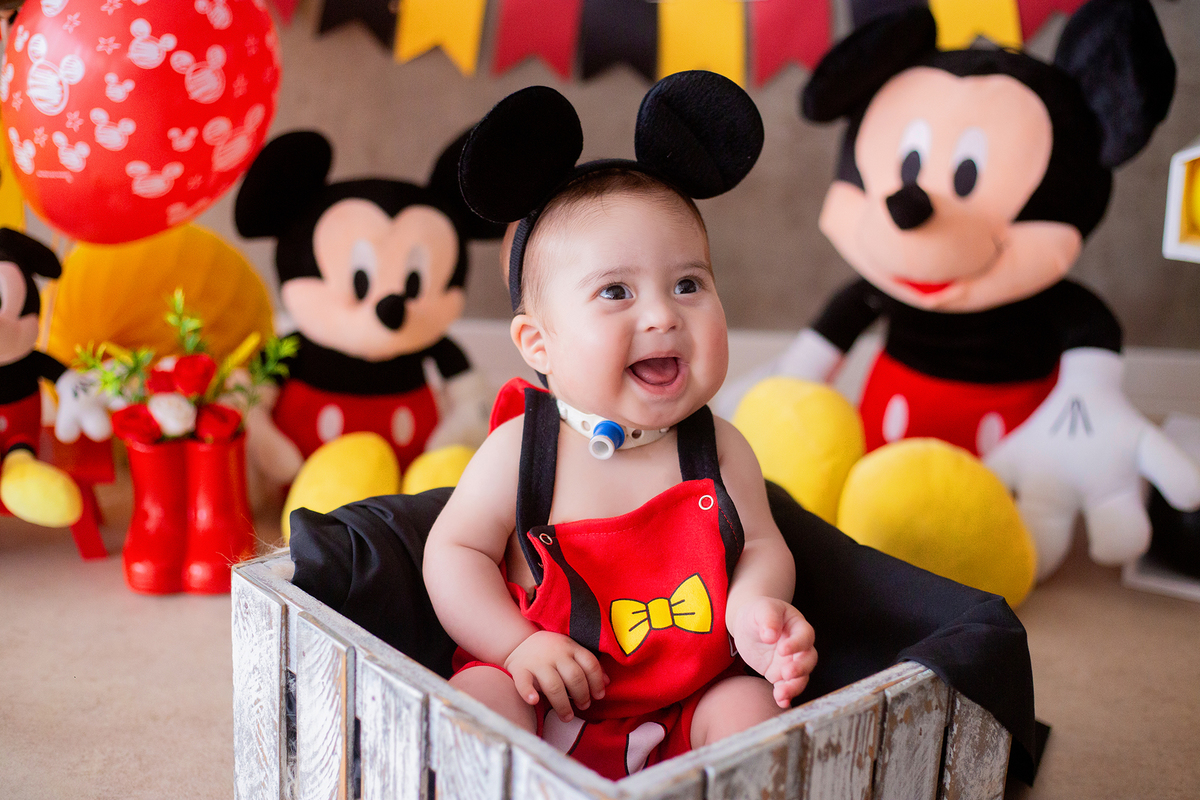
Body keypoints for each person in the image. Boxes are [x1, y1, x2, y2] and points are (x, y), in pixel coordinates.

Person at [423, 76, 817, 781]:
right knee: (476, 706)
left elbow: (760, 544)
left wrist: (757, 612)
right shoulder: (523, 448)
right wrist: (515, 648)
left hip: (688, 695)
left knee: (754, 712)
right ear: (537, 344)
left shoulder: (719, 447)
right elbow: (452, 555)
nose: (664, 315)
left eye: (689, 284)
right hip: (544, 690)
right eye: (616, 292)